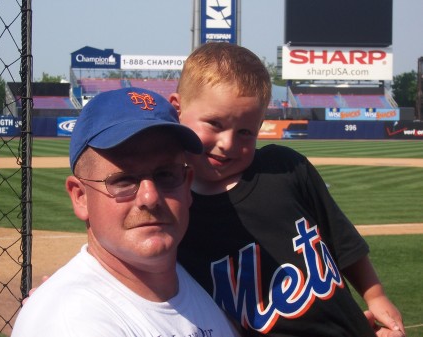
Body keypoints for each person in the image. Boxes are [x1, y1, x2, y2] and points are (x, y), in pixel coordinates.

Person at [168, 42, 406, 337]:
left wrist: (375, 295)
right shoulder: (174, 210)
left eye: (245, 132)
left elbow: (343, 241)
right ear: (176, 108)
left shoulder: (285, 168)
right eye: (214, 124)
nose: (228, 143)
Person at [11, 87, 241, 337]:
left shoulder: (199, 289)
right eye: (123, 180)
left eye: (166, 175)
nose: (150, 197)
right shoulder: (70, 320)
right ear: (80, 197)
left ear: (187, 186)